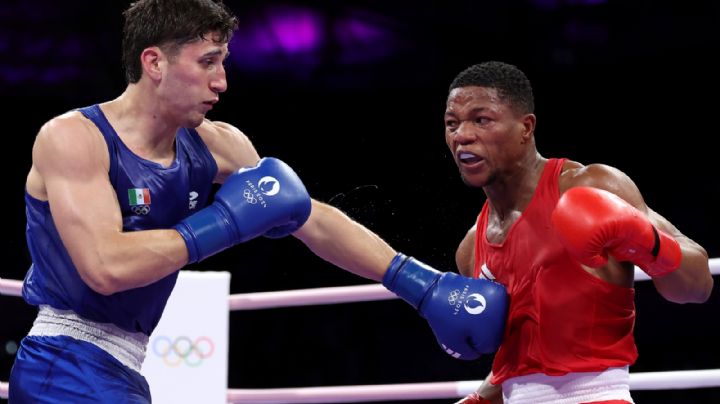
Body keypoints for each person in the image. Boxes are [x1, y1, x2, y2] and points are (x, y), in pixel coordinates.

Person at [8, 1, 509, 402]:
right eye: (207, 63)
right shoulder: (74, 138)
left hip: (123, 369)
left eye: (222, 62)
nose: (221, 82)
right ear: (154, 62)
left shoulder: (216, 144)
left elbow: (309, 217)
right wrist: (226, 220)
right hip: (64, 360)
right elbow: (104, 267)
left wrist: (421, 285)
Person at [445, 61, 713, 404]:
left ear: (526, 127)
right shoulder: (470, 247)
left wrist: (643, 239)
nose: (462, 135)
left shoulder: (591, 186)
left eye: (481, 120)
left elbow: (698, 285)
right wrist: (481, 399)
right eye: (452, 123)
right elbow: (521, 367)